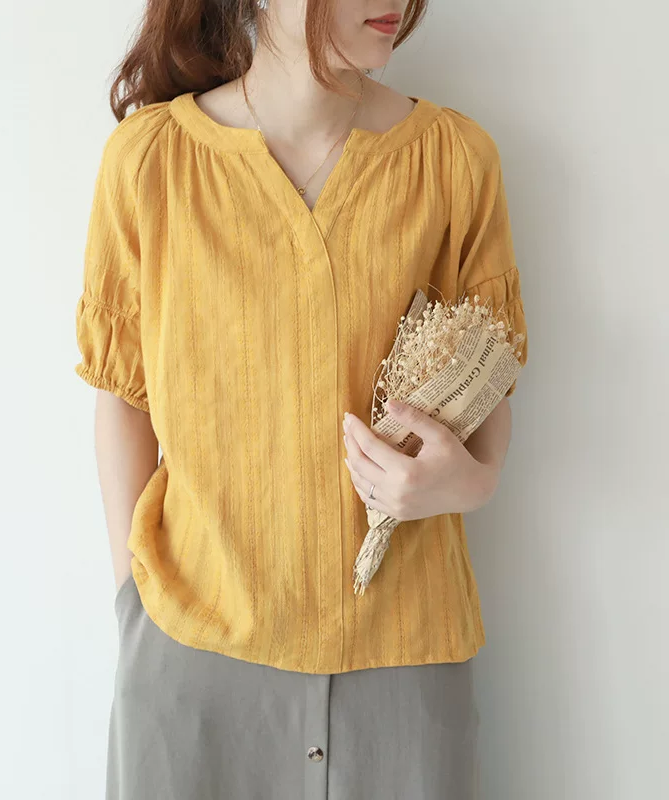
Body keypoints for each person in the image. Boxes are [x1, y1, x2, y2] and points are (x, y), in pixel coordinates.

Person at [74, 1, 528, 798]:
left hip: (404, 662)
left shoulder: (454, 162)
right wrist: (132, 603)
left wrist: (469, 483)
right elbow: (124, 396)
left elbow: (489, 387)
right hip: (192, 661)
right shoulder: (152, 163)